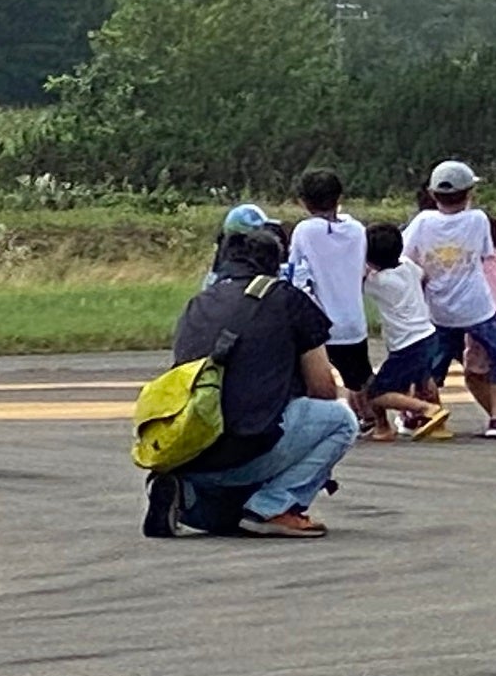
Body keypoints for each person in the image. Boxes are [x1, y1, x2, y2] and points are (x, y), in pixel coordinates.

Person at [147, 205, 354, 538]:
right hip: (246, 447)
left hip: (189, 446)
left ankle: (184, 489)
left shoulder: (199, 301)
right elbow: (323, 387)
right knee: (342, 421)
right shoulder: (288, 299)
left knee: (223, 520)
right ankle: (273, 506)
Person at [403, 161, 496, 437]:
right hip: (477, 306)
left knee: (433, 365)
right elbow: (485, 253)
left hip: (439, 308)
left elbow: (405, 256)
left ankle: (422, 412)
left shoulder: (423, 222)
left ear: (433, 194)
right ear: (469, 193)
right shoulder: (478, 219)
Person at [284, 169, 371, 421]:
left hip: (318, 323)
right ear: (339, 197)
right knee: (360, 377)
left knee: (312, 378)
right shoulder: (356, 229)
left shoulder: (305, 231)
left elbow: (296, 270)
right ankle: (376, 420)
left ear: (303, 201)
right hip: (353, 319)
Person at [359, 221, 450, 439]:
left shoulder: (379, 281)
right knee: (424, 380)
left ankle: (426, 410)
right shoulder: (408, 266)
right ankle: (437, 424)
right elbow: (423, 276)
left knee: (376, 393)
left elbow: (355, 281)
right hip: (428, 334)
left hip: (407, 344)